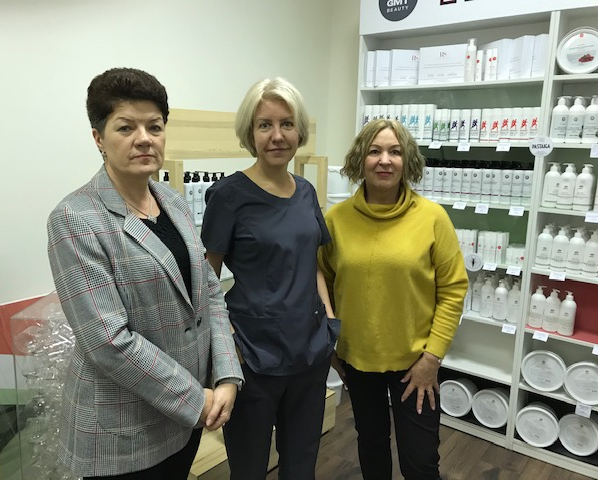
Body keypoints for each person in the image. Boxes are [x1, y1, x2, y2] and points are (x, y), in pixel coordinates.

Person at [46, 67, 243, 480]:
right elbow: (109, 342)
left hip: (185, 420)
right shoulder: (75, 218)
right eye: (126, 127)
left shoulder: (172, 200)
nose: (144, 138)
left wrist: (227, 374)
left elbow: (209, 292)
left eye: (154, 126)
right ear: (98, 138)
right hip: (125, 432)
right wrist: (197, 400)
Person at [200, 77, 339, 480]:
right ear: (251, 132)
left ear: (299, 131)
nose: (277, 135)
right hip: (254, 359)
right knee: (249, 468)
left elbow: (312, 263)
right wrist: (228, 351)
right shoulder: (228, 196)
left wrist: (329, 323)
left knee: (301, 466)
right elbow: (206, 279)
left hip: (310, 354)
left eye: (286, 124)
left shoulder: (306, 192)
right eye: (265, 125)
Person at [318, 119, 468, 480]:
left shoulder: (432, 218)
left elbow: (453, 289)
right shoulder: (336, 220)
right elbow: (323, 281)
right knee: (371, 446)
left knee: (420, 462)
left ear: (407, 161)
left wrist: (432, 358)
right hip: (357, 361)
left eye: (395, 152)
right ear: (360, 160)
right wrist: (331, 343)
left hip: (416, 364)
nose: (384, 160)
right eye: (375, 151)